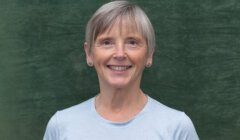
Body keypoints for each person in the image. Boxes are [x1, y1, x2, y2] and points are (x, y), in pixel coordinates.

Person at [43, 1, 199, 140]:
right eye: (107, 42)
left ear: (149, 54)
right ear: (89, 53)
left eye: (132, 42)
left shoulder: (177, 128)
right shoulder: (61, 126)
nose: (119, 54)